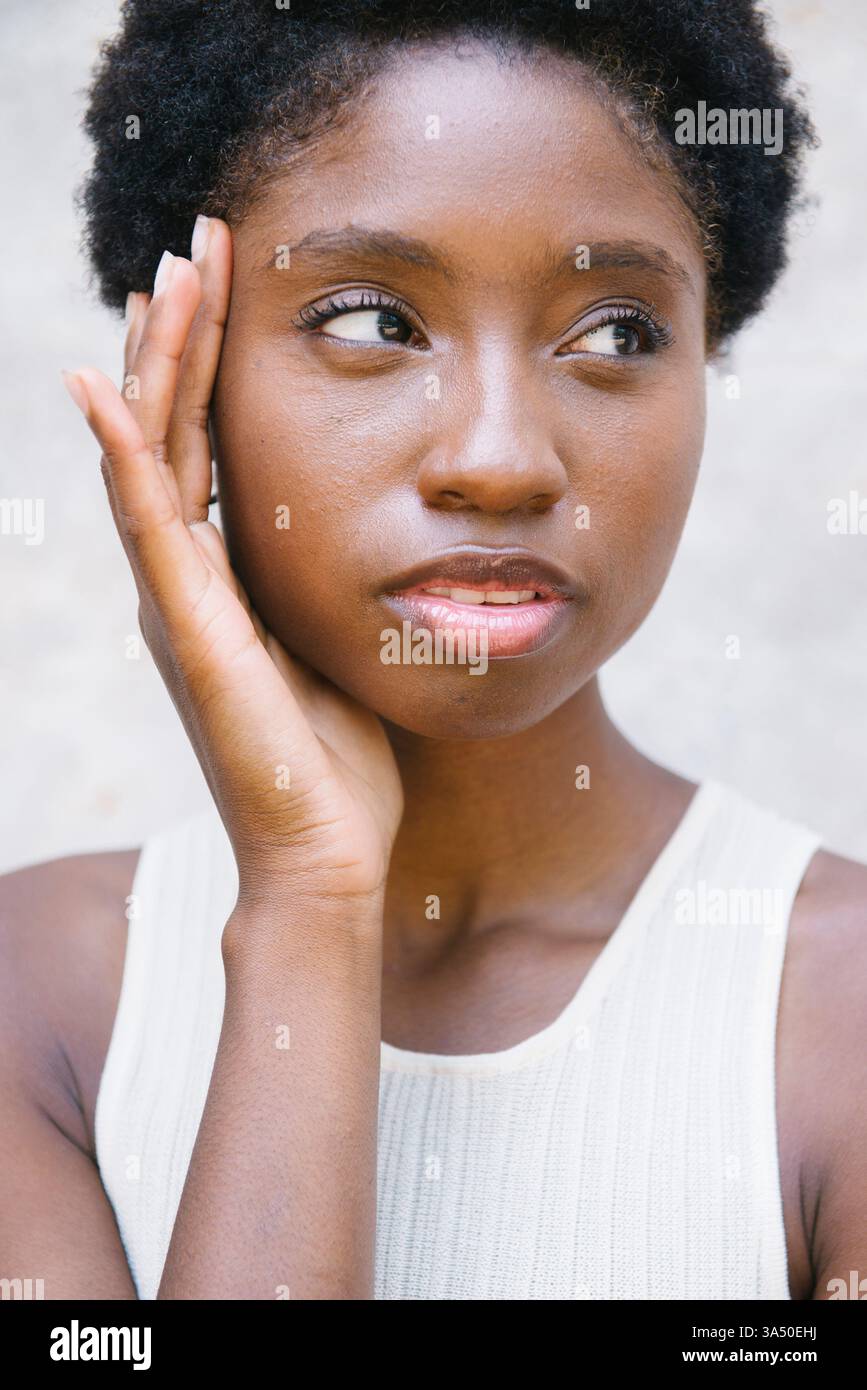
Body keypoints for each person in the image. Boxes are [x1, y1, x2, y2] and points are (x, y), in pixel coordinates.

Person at [2, 0, 865, 1301]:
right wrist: (307, 899)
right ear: (181, 368)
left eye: (619, 331)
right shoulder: (39, 999)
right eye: (371, 320)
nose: (501, 460)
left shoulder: (839, 1010)